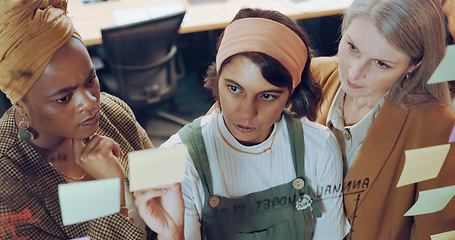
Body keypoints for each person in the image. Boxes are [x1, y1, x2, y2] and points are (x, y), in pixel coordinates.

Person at [135, 8, 349, 240]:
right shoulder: (172, 157)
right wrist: (171, 234)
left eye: (267, 95)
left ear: (292, 94)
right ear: (218, 80)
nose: (246, 113)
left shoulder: (320, 145)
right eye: (235, 88)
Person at [0, 0, 155, 239]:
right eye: (64, 98)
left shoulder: (113, 112)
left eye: (90, 80)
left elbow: (169, 193)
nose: (91, 102)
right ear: (20, 103)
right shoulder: (8, 179)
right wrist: (110, 193)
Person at [310, 0, 455, 239]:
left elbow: (435, 234)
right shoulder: (310, 76)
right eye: (352, 47)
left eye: (381, 64)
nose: (354, 72)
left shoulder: (437, 129)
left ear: (414, 65)